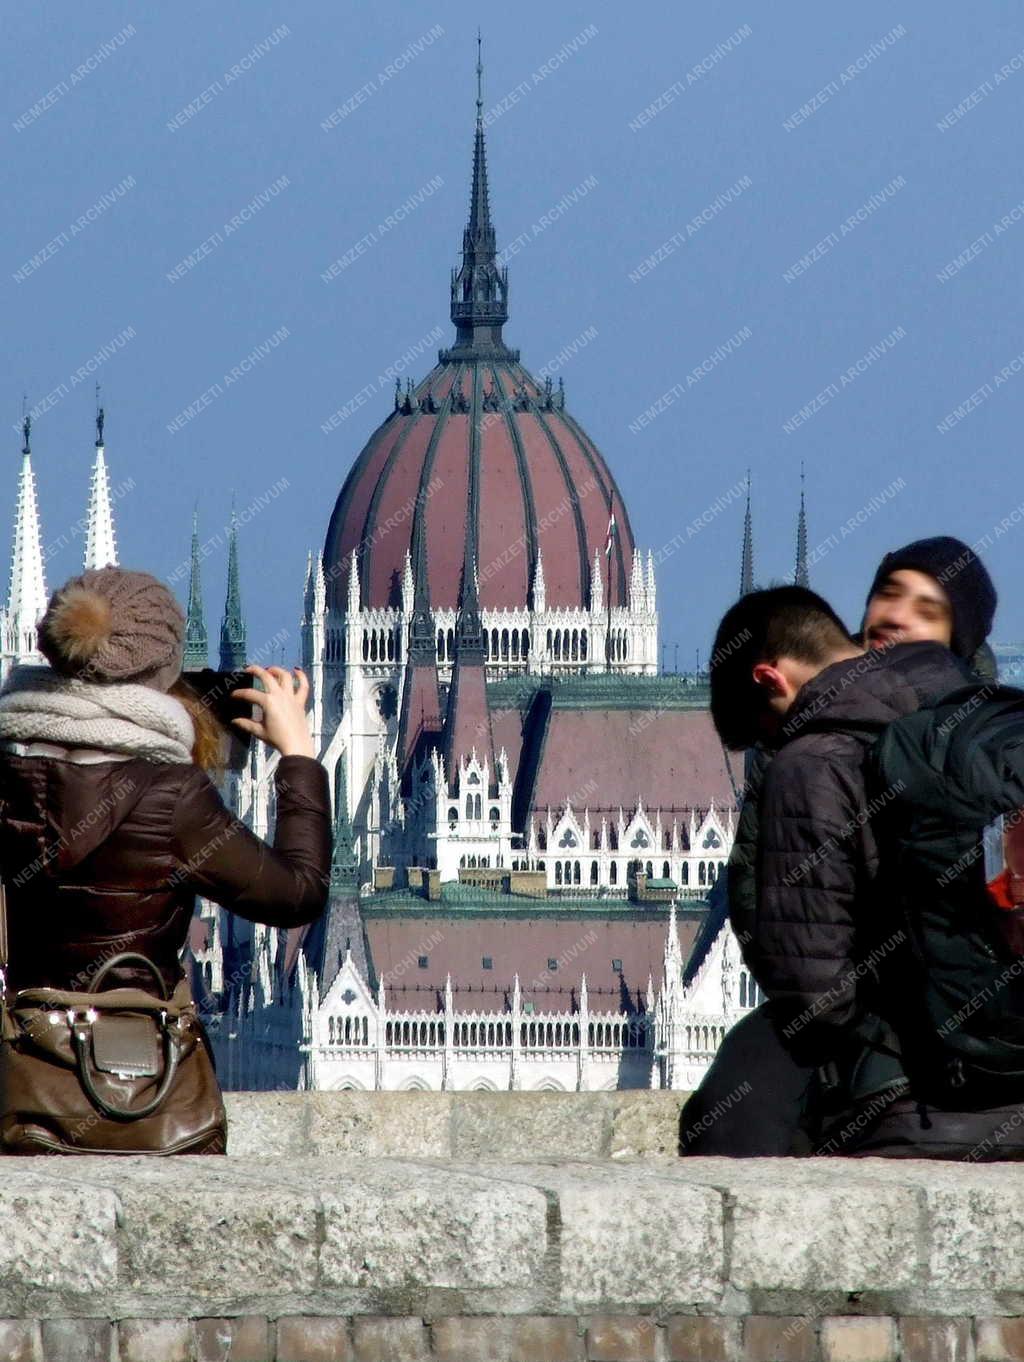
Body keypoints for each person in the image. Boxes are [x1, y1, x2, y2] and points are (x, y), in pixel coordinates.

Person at [0, 566, 332, 1151]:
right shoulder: (173, 794)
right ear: (162, 670)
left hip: (25, 1073)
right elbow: (297, 893)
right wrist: (299, 755)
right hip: (151, 1088)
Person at [682, 578, 1016, 1158]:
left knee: (737, 1105)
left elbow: (816, 995)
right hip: (1011, 1060)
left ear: (770, 678)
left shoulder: (809, 762)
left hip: (929, 1108)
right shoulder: (963, 700)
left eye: (766, 730)